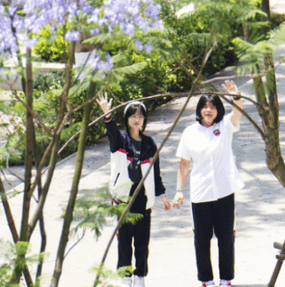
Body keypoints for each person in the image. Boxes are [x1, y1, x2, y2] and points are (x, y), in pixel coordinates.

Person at [173, 80, 244, 287]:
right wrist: (179, 190)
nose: (208, 110)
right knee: (201, 240)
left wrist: (236, 96)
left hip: (224, 191)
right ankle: (206, 280)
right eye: (205, 106)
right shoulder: (189, 133)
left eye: (213, 106)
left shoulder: (225, 126)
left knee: (226, 238)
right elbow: (183, 164)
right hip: (201, 193)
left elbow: (238, 113)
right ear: (199, 109)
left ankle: (225, 280)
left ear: (218, 110)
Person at [97, 94, 172, 287]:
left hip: (143, 199)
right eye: (133, 116)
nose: (137, 120)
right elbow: (112, 132)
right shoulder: (120, 141)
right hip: (123, 198)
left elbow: (155, 173)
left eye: (140, 116)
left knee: (141, 240)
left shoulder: (149, 144)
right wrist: (107, 114)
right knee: (124, 239)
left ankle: (140, 276)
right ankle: (124, 276)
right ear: (127, 119)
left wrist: (161, 195)